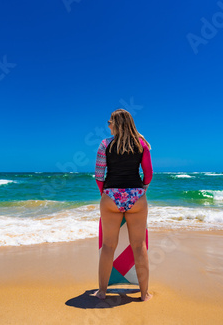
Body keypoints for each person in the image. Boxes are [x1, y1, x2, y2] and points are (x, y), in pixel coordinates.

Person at [92, 109, 153, 302]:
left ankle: (102, 292)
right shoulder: (141, 144)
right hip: (136, 197)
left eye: (110, 122)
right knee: (139, 245)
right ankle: (144, 294)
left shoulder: (104, 145)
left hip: (111, 195)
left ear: (117, 124)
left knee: (108, 246)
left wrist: (105, 194)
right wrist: (141, 190)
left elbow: (99, 175)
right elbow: (149, 173)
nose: (108, 125)